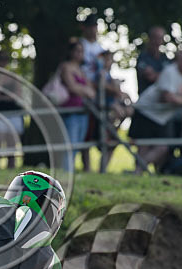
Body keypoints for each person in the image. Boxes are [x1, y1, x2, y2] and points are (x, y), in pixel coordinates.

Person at [132, 49, 182, 175]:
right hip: (147, 111)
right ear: (178, 60)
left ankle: (138, 170)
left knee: (163, 147)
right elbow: (167, 98)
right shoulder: (169, 72)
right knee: (143, 146)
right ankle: (138, 173)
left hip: (164, 116)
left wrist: (180, 100)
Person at [59, 39, 95, 172]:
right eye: (77, 51)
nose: (80, 54)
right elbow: (72, 87)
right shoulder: (66, 67)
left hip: (82, 112)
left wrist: (83, 89)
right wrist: (84, 90)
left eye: (82, 51)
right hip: (70, 111)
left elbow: (91, 90)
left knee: (78, 144)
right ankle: (66, 171)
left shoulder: (81, 70)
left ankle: (70, 171)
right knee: (70, 144)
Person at [78, 15, 105, 175]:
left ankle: (98, 166)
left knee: (97, 130)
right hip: (85, 92)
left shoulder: (100, 48)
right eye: (91, 26)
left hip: (98, 92)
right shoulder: (81, 45)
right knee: (85, 132)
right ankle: (86, 165)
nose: (93, 29)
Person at [0, 50, 23, 169]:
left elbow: (18, 95)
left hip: (13, 114)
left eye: (5, 59)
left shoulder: (13, 76)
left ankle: (11, 171)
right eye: (0, 59)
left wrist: (3, 97)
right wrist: (0, 78)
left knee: (12, 149)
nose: (3, 62)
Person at [135, 26, 170, 95]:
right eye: (155, 38)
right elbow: (150, 77)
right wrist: (165, 76)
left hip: (163, 100)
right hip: (146, 101)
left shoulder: (164, 58)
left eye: (160, 38)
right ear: (150, 38)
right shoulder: (143, 58)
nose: (157, 41)